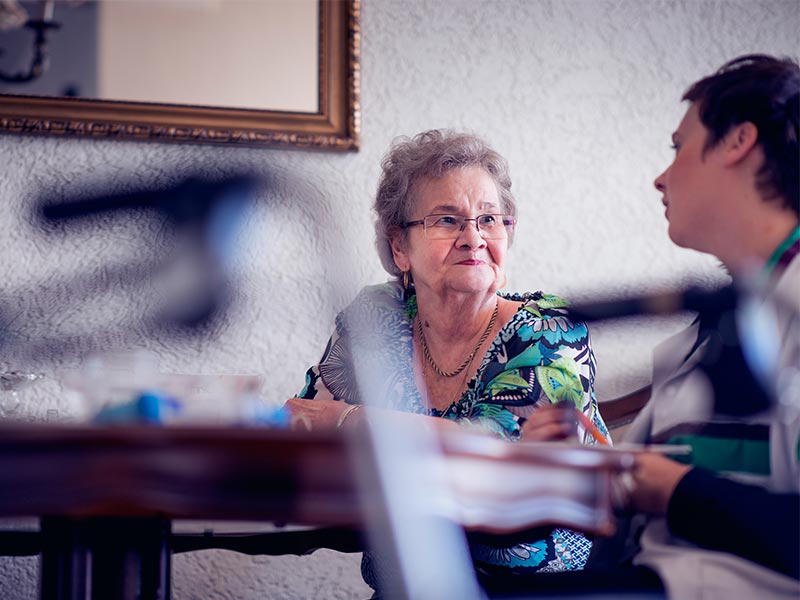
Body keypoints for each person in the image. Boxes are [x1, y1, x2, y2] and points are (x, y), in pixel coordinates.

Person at [285, 129, 610, 589]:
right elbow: (304, 423)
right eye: (446, 220)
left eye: (489, 219)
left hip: (541, 590)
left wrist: (351, 421)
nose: (473, 237)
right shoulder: (379, 317)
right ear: (400, 248)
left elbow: (495, 456)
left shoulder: (548, 330)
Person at [620, 53, 800, 598]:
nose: (661, 176)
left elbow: (681, 486)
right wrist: (589, 458)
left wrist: (677, 491)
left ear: (737, 142)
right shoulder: (712, 327)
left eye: (678, 148)